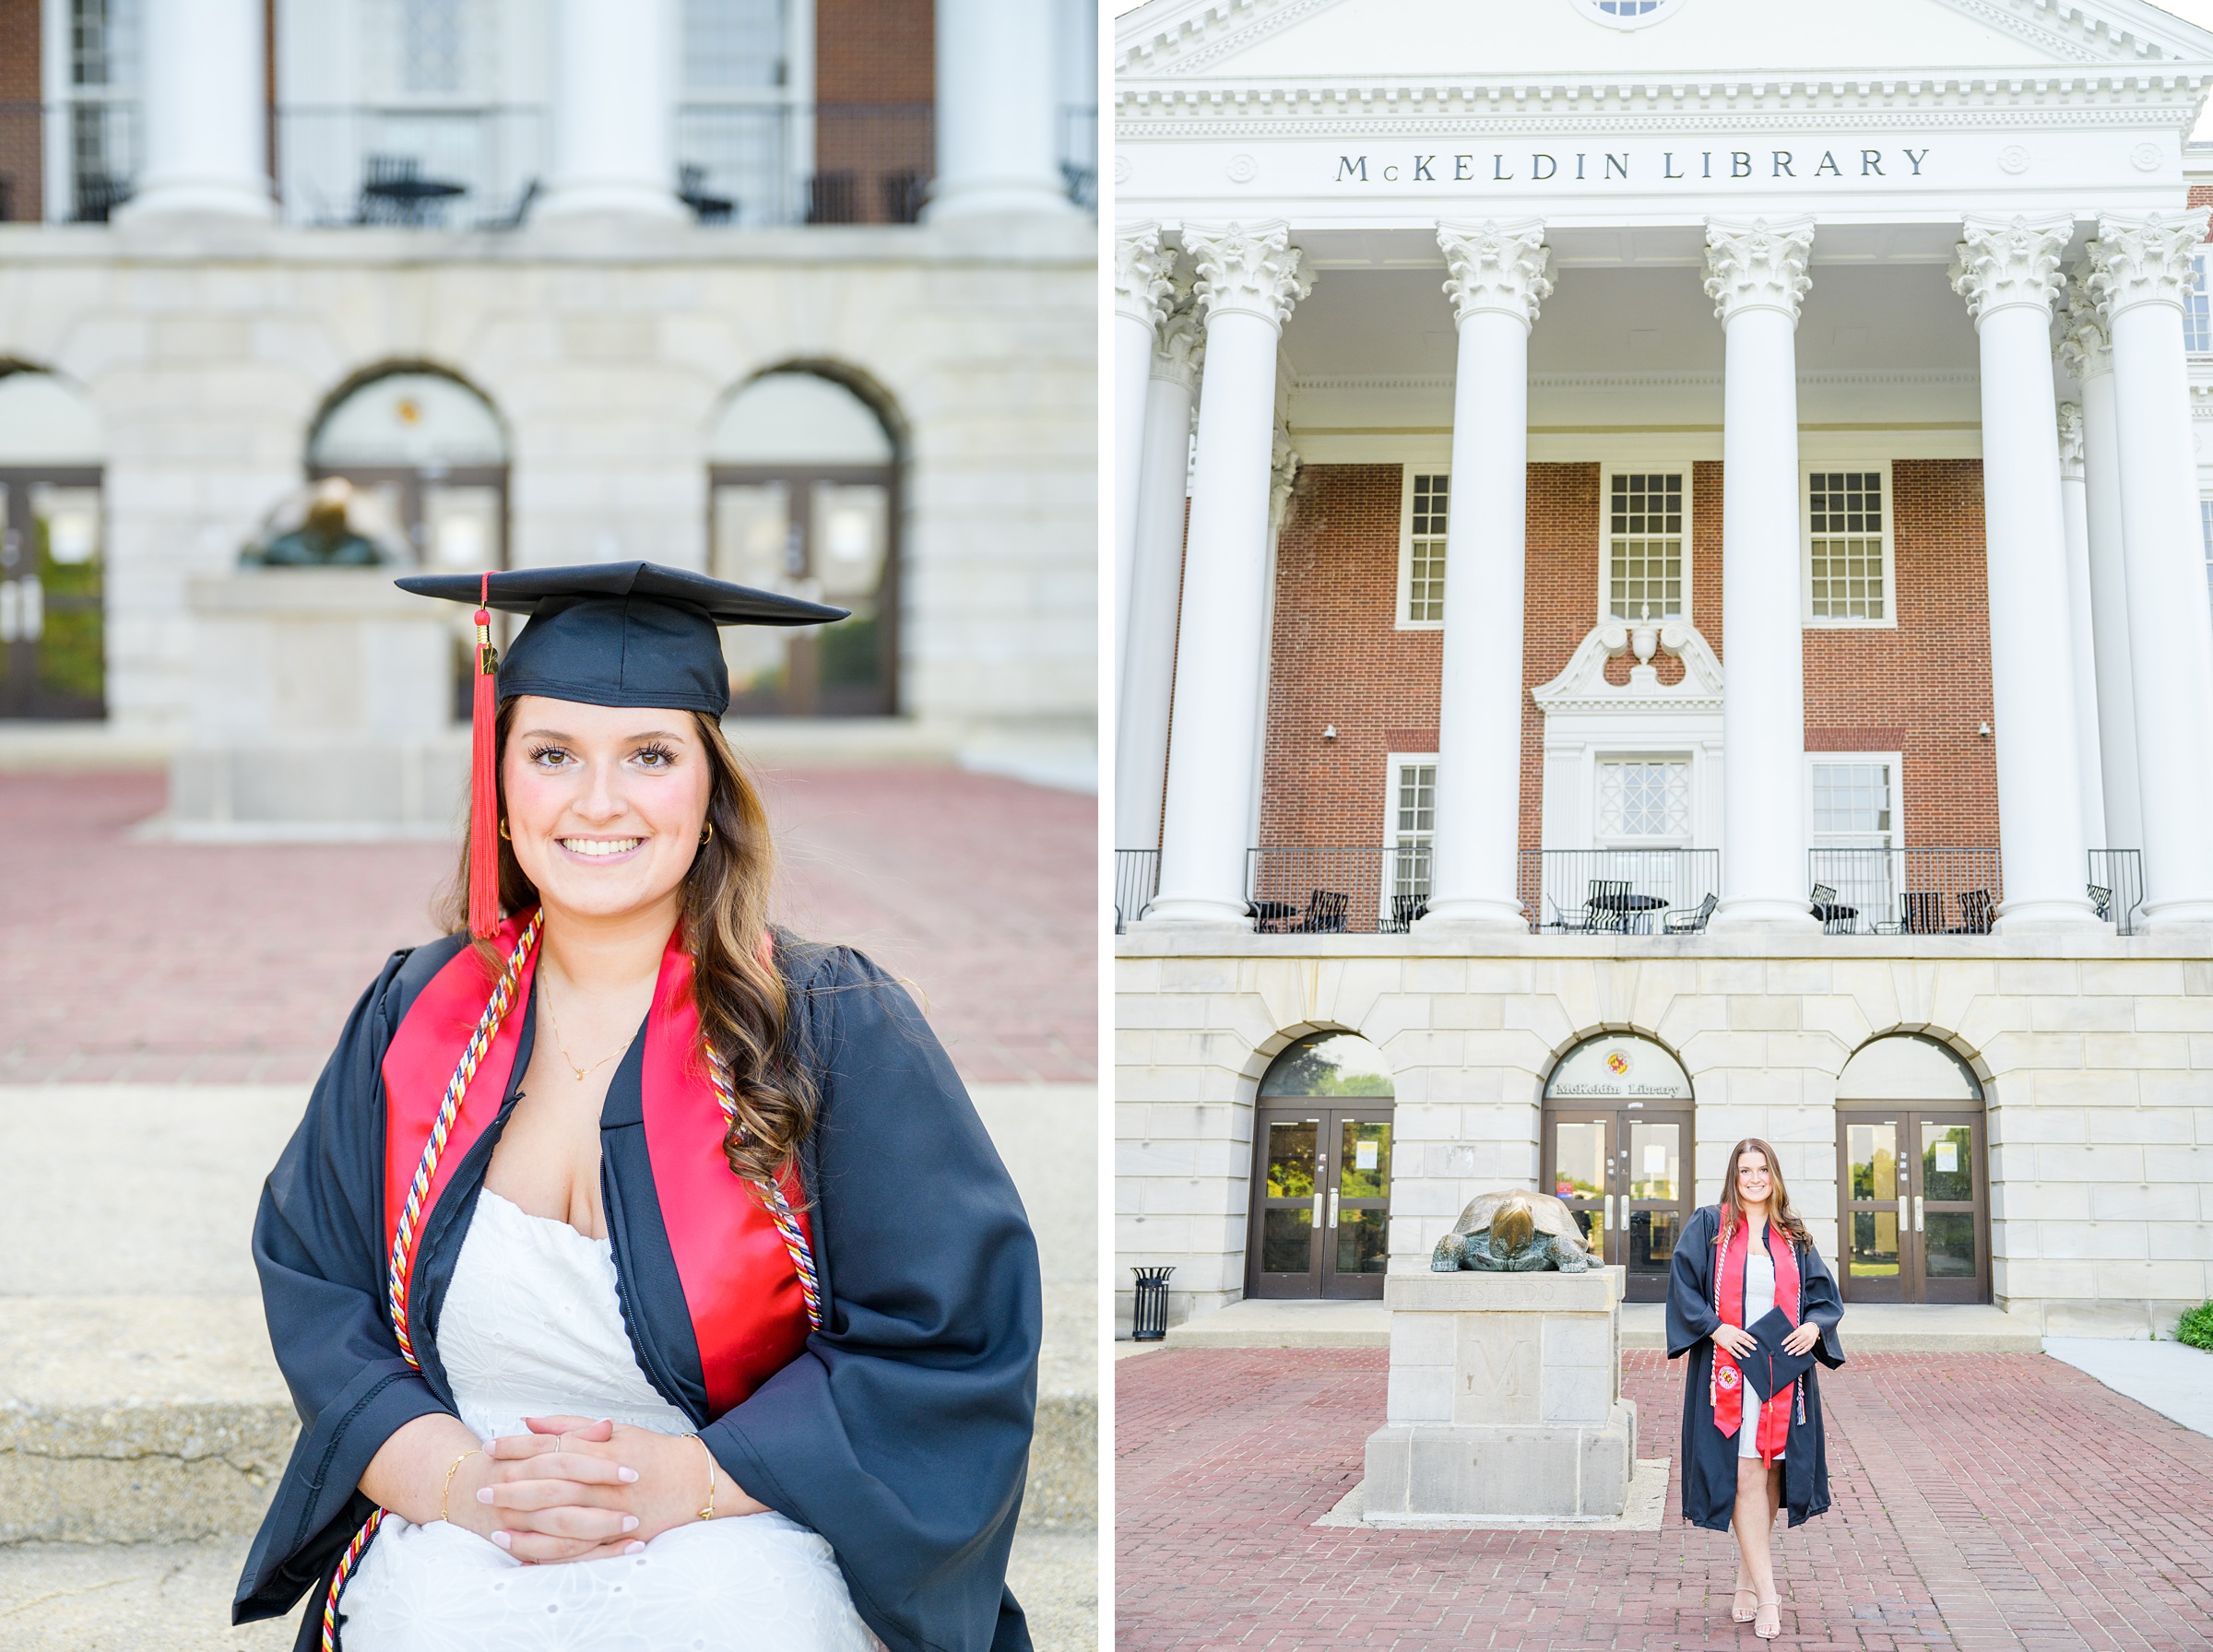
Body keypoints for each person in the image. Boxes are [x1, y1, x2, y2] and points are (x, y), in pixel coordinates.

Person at [231, 562, 1043, 1652]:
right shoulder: (412, 1017)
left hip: (747, 1521)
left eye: (650, 756)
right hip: (468, 1518)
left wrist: (688, 1479)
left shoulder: (832, 1021)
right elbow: (318, 1287)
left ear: (710, 791)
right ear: (501, 783)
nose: (598, 801)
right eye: (553, 753)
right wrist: (458, 1481)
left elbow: (950, 1333)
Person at [1665, 1138, 1844, 1641]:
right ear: (1734, 1176)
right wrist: (1715, 1328)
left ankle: (1745, 1580)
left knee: (1770, 1474)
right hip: (1729, 1370)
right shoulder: (1710, 1225)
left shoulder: (1793, 1234)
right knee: (1745, 1475)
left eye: (1762, 1169)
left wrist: (1814, 1327)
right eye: (1745, 1170)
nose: (1755, 1178)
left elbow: (1822, 1297)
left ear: (1774, 1175)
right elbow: (1682, 1287)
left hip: (1781, 1371)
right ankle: (1769, 1594)